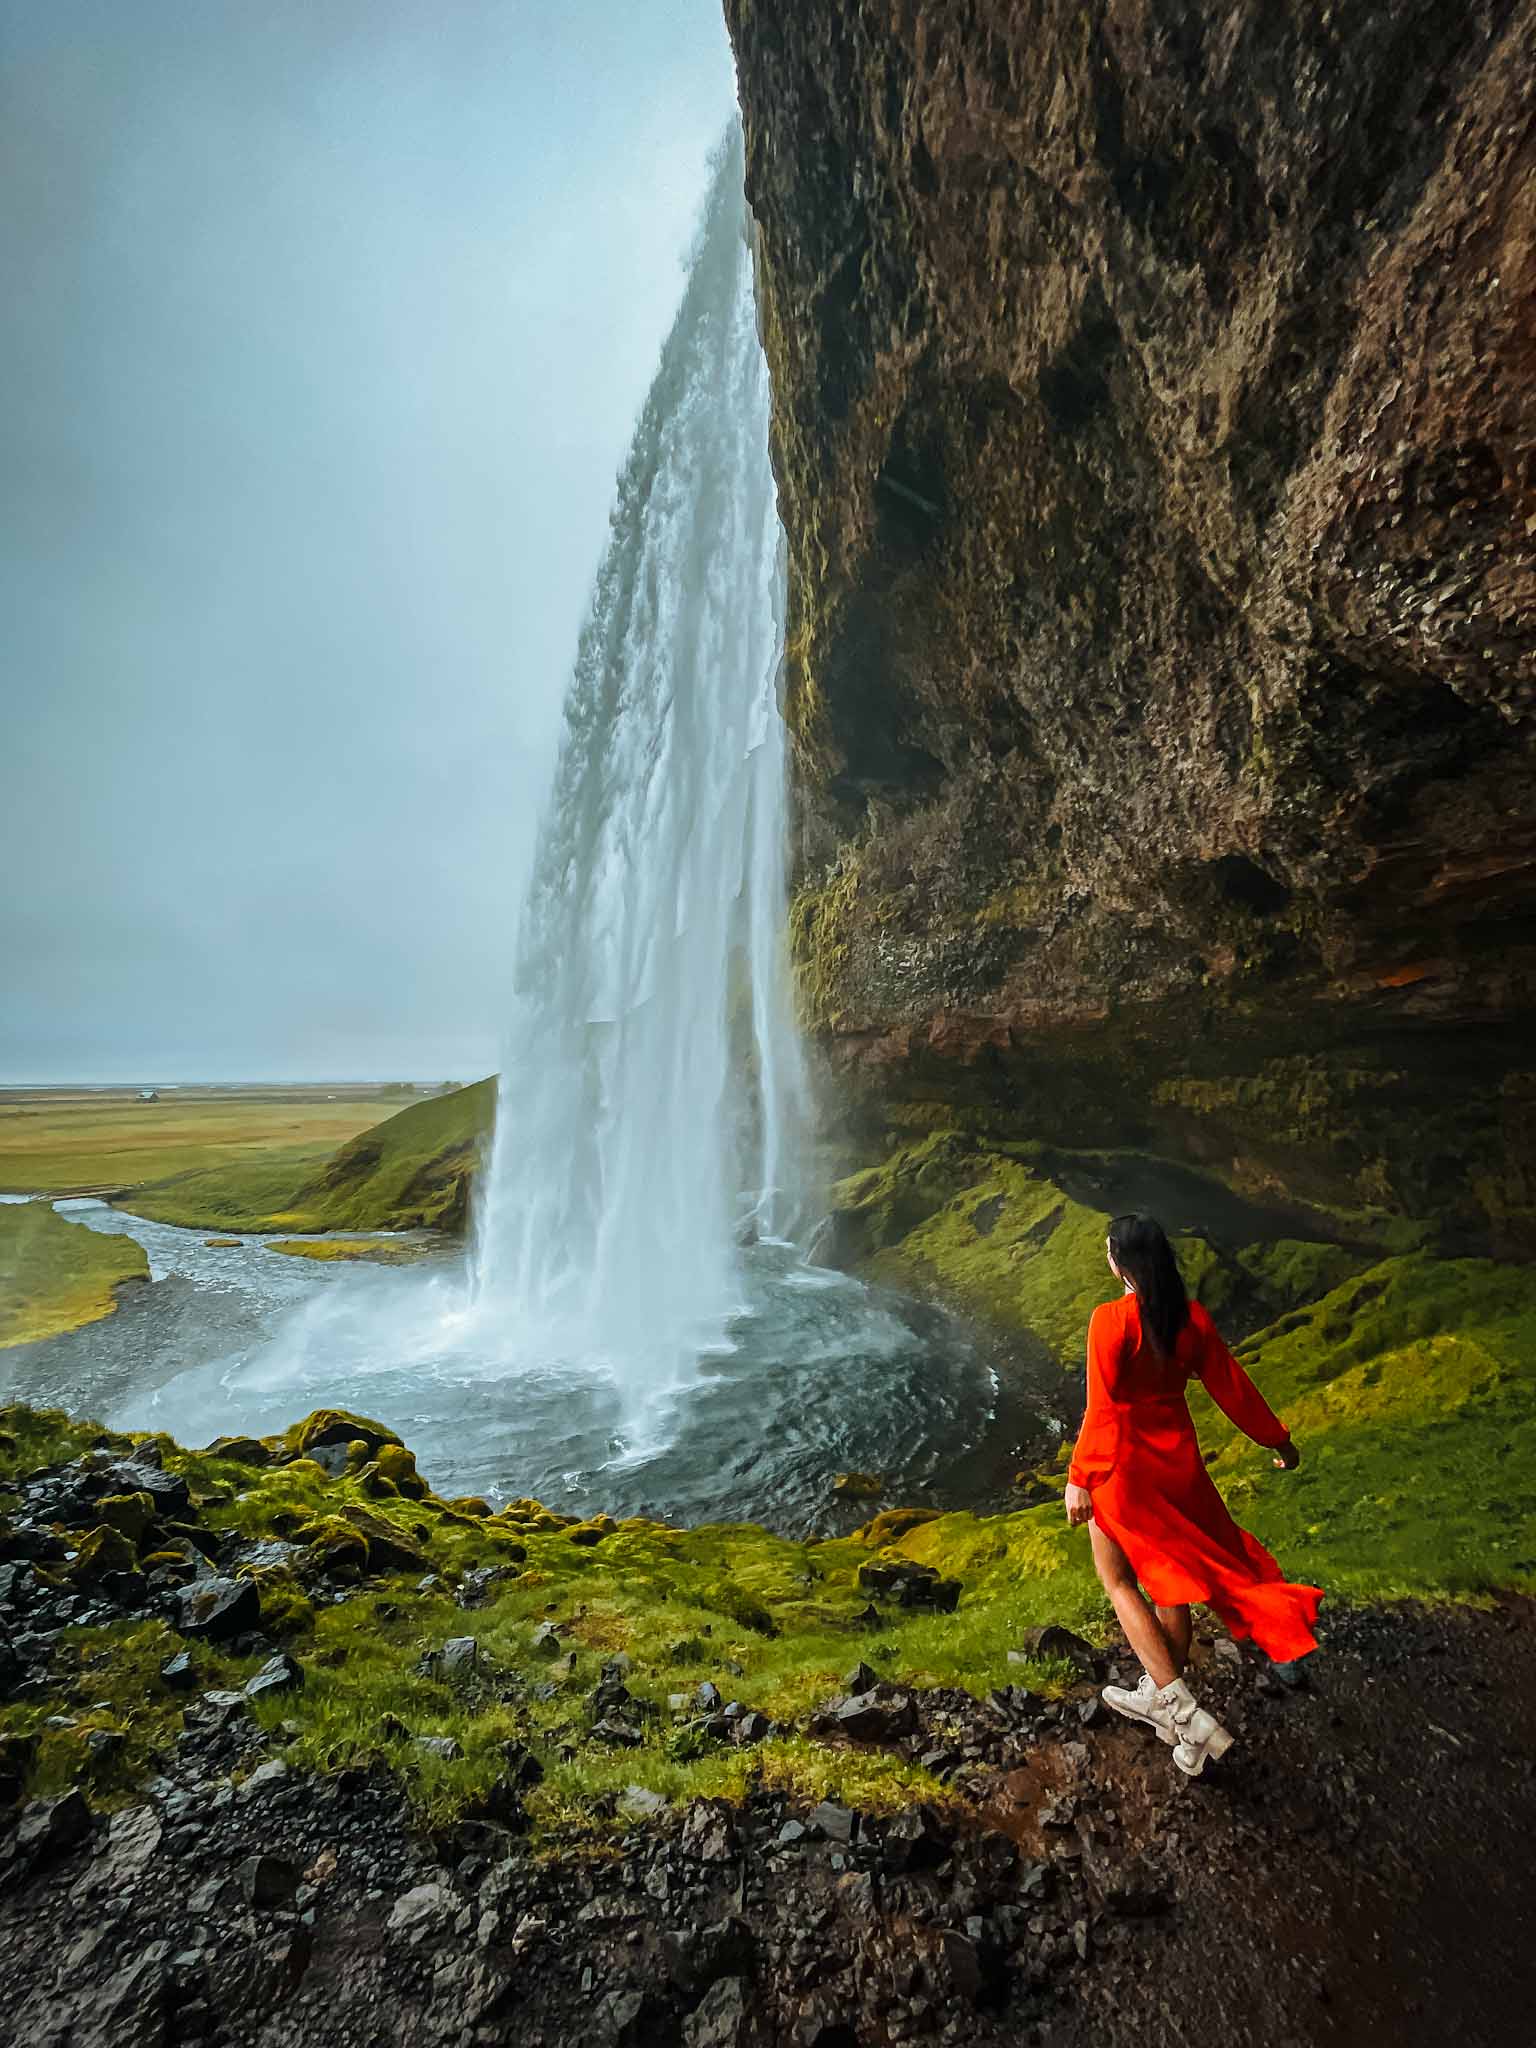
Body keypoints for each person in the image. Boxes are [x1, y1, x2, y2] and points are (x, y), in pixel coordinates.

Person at [1064, 1212, 1322, 1777]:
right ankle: (1163, 1698)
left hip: (1123, 1470)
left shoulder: (1111, 1321)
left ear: (1119, 1263)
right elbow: (1233, 1385)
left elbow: (1101, 1408)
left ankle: (1181, 1711)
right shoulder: (1190, 1319)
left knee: (1118, 1580)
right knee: (1171, 1580)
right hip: (1178, 1464)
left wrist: (1079, 1477)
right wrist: (1278, 1440)